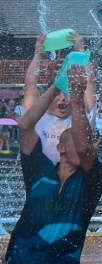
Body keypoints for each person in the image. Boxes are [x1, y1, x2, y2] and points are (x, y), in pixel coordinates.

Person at [0, 63, 102, 264]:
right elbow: (25, 125)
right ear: (60, 147)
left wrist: (76, 99)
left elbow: (84, 149)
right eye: (76, 138)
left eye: (89, 141)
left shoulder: (93, 179)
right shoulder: (38, 169)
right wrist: (57, 86)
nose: (87, 144)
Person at [22, 33, 97, 165]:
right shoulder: (37, 117)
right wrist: (38, 54)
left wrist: (81, 51)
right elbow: (30, 85)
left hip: (74, 175)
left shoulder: (82, 117)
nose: (62, 98)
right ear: (48, 97)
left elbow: (89, 83)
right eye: (57, 94)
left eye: (66, 94)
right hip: (42, 174)